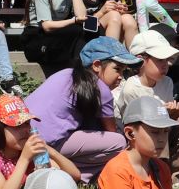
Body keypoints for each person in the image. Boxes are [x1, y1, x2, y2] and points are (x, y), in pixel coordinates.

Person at [26, 37, 134, 179]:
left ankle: (59, 165)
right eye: (117, 69)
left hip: (24, 137)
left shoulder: (65, 73)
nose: (120, 77)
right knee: (119, 142)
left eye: (123, 71)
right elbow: (111, 131)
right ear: (96, 65)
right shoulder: (101, 89)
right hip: (47, 145)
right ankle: (71, 171)